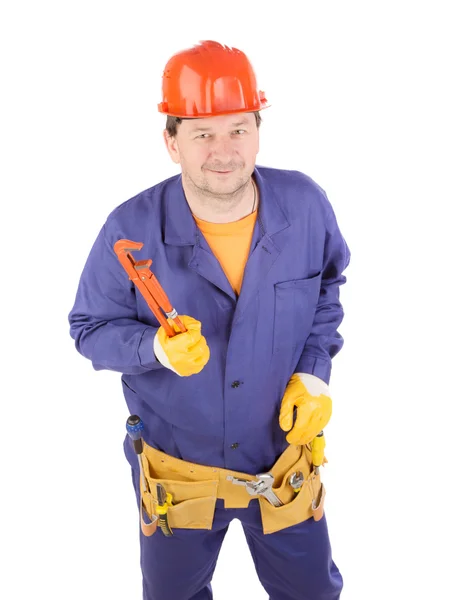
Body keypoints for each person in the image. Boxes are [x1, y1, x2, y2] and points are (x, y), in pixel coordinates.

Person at [68, 40, 351, 600]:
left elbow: (327, 289)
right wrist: (155, 348)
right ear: (171, 142)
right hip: (179, 475)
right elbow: (89, 329)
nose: (224, 151)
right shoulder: (128, 228)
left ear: (258, 129)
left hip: (283, 462)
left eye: (238, 129)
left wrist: (315, 372)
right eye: (202, 133)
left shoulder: (306, 205)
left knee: (311, 593)